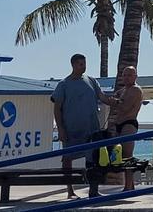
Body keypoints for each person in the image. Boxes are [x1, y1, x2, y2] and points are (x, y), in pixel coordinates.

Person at [51, 53, 117, 199]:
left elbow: (101, 96)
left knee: (93, 159)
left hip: (91, 128)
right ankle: (70, 190)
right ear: (73, 65)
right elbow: (57, 107)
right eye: (80, 64)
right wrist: (60, 129)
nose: (84, 66)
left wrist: (111, 101)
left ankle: (93, 190)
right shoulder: (63, 84)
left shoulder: (92, 81)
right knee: (68, 158)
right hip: (71, 129)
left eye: (84, 63)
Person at [107, 66, 144, 192]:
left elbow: (126, 107)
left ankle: (128, 185)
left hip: (129, 123)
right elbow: (110, 99)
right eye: (125, 75)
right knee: (121, 156)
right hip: (119, 124)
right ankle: (130, 184)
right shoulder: (123, 90)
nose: (127, 78)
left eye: (129, 75)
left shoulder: (135, 90)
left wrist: (115, 102)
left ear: (135, 76)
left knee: (128, 155)